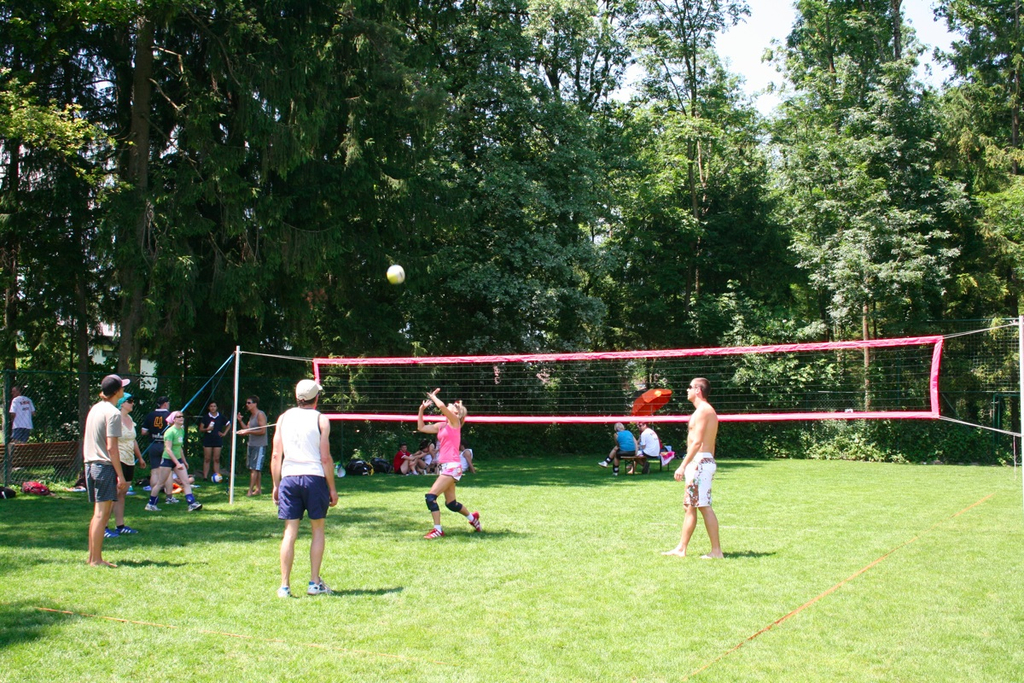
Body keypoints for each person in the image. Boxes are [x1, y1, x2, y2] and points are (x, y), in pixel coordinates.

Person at [271, 379, 338, 598]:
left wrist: (276, 484)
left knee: (290, 532)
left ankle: (284, 586)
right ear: (316, 398)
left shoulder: (283, 418)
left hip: (289, 478)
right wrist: (332, 488)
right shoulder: (321, 419)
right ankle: (314, 583)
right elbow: (325, 457)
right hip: (314, 478)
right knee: (317, 529)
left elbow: (276, 454)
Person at [663, 377, 723, 559]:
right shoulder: (704, 411)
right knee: (690, 506)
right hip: (701, 462)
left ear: (698, 390)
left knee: (703, 506)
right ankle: (681, 548)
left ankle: (716, 551)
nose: (686, 390)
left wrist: (682, 466)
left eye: (689, 387)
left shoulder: (704, 410)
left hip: (699, 463)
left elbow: (697, 442)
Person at [417, 389, 481, 539]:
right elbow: (421, 427)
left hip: (452, 466)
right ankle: (473, 518)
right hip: (443, 466)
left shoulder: (455, 422)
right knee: (451, 503)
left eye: (452, 405)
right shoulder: (442, 425)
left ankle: (438, 530)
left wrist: (434, 397)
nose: (449, 404)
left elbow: (442, 407)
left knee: (430, 497)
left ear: (456, 413)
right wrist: (421, 410)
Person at [83, 374, 130, 567]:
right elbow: (112, 448)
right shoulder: (113, 413)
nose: (124, 390)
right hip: (103, 466)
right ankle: (96, 560)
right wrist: (121, 476)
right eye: (122, 387)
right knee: (102, 515)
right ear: (117, 391)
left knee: (98, 514)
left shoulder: (95, 408)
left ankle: (93, 557)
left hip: (90, 464)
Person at [146, 411, 203, 512]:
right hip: (167, 460)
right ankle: (151, 504)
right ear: (174, 419)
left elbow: (179, 447)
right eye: (178, 417)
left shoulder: (181, 430)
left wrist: (183, 461)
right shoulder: (170, 432)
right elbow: (168, 449)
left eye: (182, 416)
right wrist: (177, 463)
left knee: (186, 482)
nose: (181, 418)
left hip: (178, 460)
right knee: (160, 483)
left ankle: (192, 503)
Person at [107, 393, 146, 537]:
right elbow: (110, 442)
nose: (132, 403)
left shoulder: (130, 419)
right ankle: (104, 527)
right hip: (119, 459)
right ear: (122, 403)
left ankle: (120, 525)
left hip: (129, 460)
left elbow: (133, 440)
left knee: (122, 493)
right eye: (130, 401)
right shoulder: (115, 419)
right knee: (114, 494)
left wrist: (139, 458)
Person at [140, 396, 172, 498]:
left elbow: (143, 431)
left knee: (154, 471)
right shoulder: (170, 415)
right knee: (168, 471)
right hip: (166, 445)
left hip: (153, 445)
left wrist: (153, 432)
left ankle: (153, 496)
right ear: (165, 404)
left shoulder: (150, 415)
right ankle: (169, 497)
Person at [236, 395, 268, 496]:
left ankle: (250, 490)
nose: (247, 405)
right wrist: (240, 421)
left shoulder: (260, 414)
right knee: (255, 468)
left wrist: (248, 432)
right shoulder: (252, 416)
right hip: (251, 444)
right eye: (246, 403)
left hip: (259, 445)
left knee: (254, 469)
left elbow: (263, 431)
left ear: (255, 404)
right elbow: (247, 429)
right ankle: (258, 489)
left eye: (249, 403)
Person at [199, 400, 230, 480]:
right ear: (209, 408)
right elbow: (201, 429)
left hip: (217, 440)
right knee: (207, 458)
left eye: (214, 406)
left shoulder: (221, 417)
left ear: (217, 407)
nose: (213, 408)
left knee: (216, 459)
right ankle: (205, 477)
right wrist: (207, 429)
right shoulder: (206, 417)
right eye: (211, 406)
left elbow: (228, 424)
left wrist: (224, 433)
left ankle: (217, 476)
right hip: (208, 440)